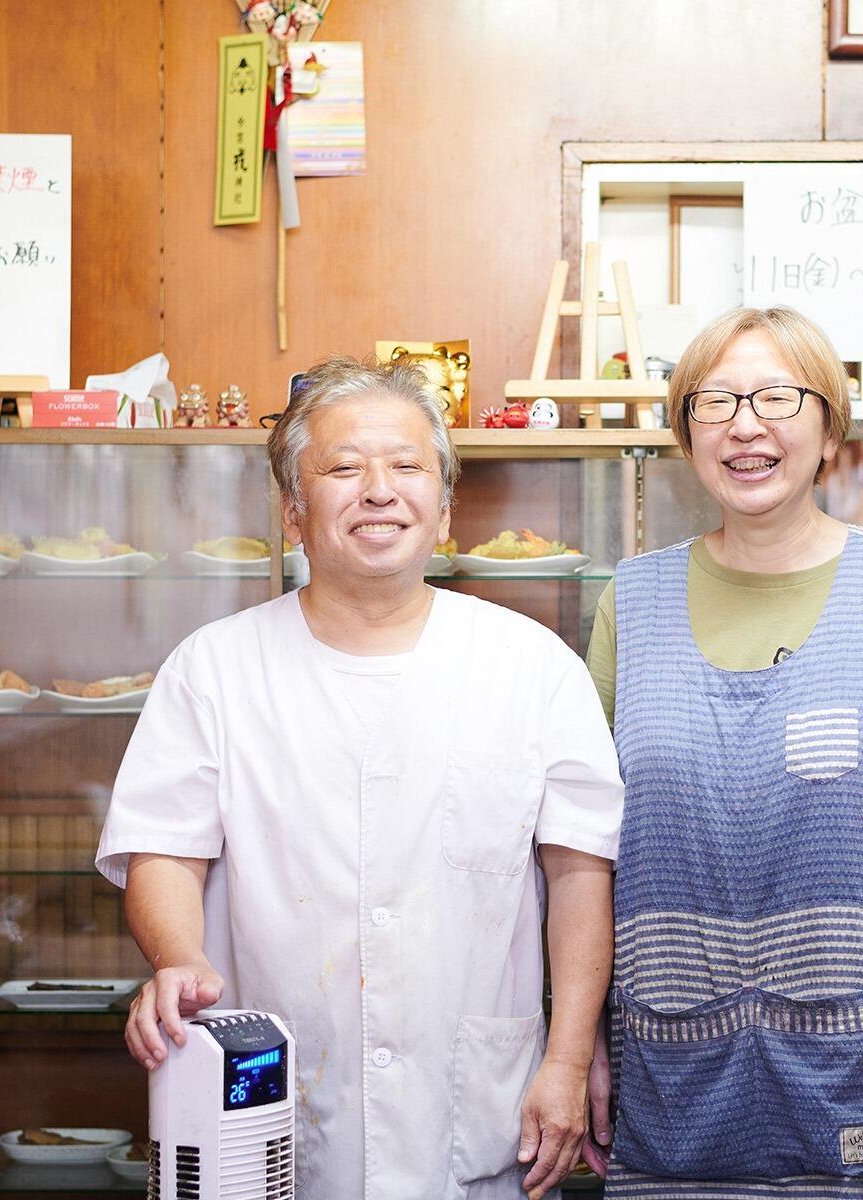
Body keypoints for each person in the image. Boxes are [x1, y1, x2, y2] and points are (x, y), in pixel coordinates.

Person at [96, 357, 623, 1199]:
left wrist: (567, 1059)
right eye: (344, 468)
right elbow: (163, 851)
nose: (380, 490)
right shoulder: (214, 669)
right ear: (294, 513)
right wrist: (179, 960)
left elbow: (580, 873)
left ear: (445, 508)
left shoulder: (531, 666)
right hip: (268, 1120)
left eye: (408, 467)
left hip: (477, 1127)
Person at [583, 307, 863, 1198]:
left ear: (828, 430)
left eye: (778, 397)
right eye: (715, 402)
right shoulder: (633, 601)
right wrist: (576, 1042)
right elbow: (583, 844)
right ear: (687, 432)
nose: (747, 425)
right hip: (672, 1064)